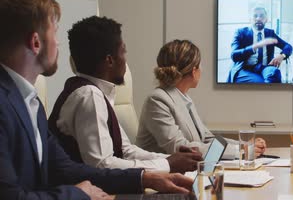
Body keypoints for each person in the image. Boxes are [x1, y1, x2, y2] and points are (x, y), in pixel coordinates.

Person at [0, 0, 194, 200]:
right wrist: (79, 196)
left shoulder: (29, 101)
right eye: (54, 33)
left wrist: (146, 178)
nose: (58, 44)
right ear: (36, 42)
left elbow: (68, 170)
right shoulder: (6, 104)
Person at [48, 16, 202, 173]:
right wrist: (168, 164)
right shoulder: (89, 95)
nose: (125, 61)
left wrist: (169, 160)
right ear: (110, 61)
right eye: (123, 52)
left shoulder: (92, 92)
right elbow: (102, 165)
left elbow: (125, 150)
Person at [137, 39, 267, 158]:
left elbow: (206, 138)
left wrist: (243, 145)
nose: (202, 69)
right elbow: (180, 148)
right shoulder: (157, 100)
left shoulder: (184, 97)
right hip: (163, 178)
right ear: (194, 71)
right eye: (200, 65)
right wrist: (239, 151)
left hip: (186, 172)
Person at [227, 6, 293, 83]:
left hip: (265, 67)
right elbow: (234, 55)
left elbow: (288, 46)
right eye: (255, 16)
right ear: (250, 19)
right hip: (244, 68)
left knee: (275, 73)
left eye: (261, 16)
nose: (258, 18)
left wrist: (282, 55)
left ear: (266, 19)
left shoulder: (270, 33)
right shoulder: (240, 33)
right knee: (260, 82)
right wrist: (255, 46)